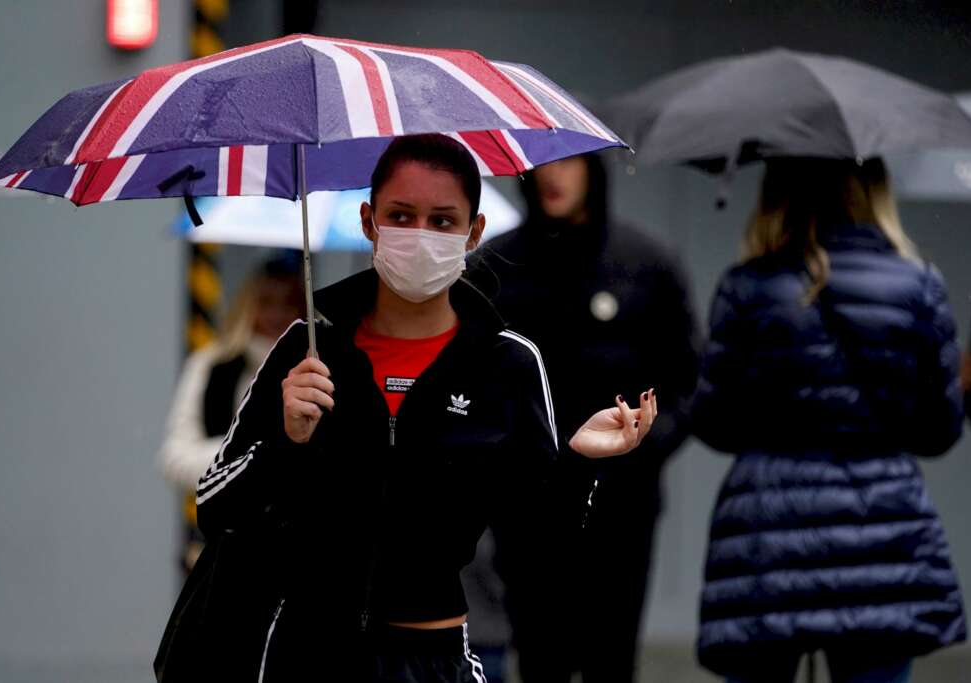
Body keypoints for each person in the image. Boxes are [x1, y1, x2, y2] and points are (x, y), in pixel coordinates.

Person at [161, 134, 657, 683]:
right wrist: (285, 440)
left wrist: (579, 461)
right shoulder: (309, 349)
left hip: (432, 659)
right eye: (401, 215)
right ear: (370, 221)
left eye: (443, 221)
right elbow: (217, 506)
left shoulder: (507, 363)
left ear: (474, 232)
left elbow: (540, 544)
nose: (420, 236)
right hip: (304, 658)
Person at [691, 158, 967, 683]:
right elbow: (938, 432)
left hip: (767, 533)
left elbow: (715, 424)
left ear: (778, 189)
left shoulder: (747, 286)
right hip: (882, 533)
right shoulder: (919, 286)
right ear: (873, 188)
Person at [466, 153, 699, 682]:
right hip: (529, 506)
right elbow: (473, 383)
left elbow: (688, 379)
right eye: (544, 165)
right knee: (540, 652)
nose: (555, 176)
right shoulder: (497, 266)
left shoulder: (647, 262)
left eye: (568, 163)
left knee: (611, 657)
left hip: (623, 502)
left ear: (594, 171)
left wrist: (647, 443)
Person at [157, 255, 304, 574]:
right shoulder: (211, 366)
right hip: (222, 548)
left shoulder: (318, 371)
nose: (278, 314)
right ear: (248, 305)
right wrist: (244, 460)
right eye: (266, 302)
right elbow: (174, 455)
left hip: (299, 550)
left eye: (290, 302)